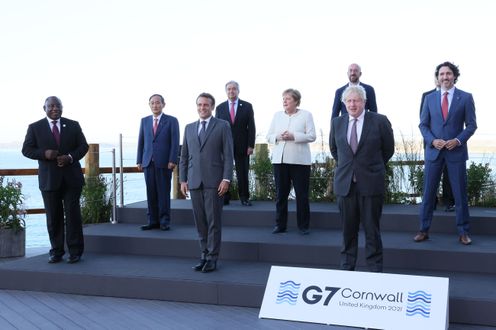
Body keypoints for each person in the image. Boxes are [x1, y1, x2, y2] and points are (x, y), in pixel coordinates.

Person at [329, 85, 394, 272]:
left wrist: (369, 167)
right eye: (349, 101)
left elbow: (388, 150)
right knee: (348, 232)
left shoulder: (380, 121)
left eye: (356, 100)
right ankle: (347, 268)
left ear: (364, 102)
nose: (352, 104)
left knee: (372, 231)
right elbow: (335, 151)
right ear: (344, 103)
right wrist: (351, 168)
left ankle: (374, 270)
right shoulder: (337, 123)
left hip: (371, 184)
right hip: (345, 185)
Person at [415, 61, 477, 245]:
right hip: (434, 152)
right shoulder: (429, 99)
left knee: (460, 194)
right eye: (441, 74)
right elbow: (423, 125)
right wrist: (433, 140)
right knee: (428, 194)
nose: (445, 77)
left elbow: (472, 125)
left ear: (454, 76)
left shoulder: (465, 98)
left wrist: (457, 140)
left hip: (455, 152)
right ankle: (423, 230)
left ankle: (463, 232)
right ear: (438, 77)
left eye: (448, 74)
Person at [22, 96, 89, 264]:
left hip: (72, 179)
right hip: (49, 180)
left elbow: (83, 146)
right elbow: (26, 150)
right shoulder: (35, 127)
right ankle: (56, 251)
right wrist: (44, 154)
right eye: (50, 106)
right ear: (44, 108)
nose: (54, 108)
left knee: (73, 216)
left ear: (62, 107)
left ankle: (75, 252)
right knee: (53, 217)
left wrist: (70, 157)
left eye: (57, 105)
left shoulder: (73, 125)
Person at [180, 92, 234, 273]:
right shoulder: (188, 128)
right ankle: (203, 255)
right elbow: (184, 157)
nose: (202, 108)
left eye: (206, 105)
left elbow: (228, 155)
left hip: (215, 182)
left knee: (213, 223)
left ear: (212, 107)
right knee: (200, 223)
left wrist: (226, 178)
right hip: (194, 182)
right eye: (200, 105)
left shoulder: (223, 126)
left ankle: (213, 258)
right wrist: (182, 179)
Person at [266, 89, 316, 235]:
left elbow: (312, 136)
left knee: (302, 195)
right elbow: (268, 136)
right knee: (281, 194)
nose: (285, 101)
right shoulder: (277, 116)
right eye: (283, 98)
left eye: (288, 98)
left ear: (296, 101)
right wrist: (278, 136)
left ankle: (303, 226)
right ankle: (280, 225)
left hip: (300, 161)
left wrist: (294, 136)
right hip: (280, 161)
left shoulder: (306, 115)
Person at [137, 94, 180, 231]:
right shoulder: (144, 121)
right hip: (148, 162)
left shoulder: (172, 121)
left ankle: (164, 221)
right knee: (151, 193)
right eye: (152, 103)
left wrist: (173, 159)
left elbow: (175, 142)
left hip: (164, 163)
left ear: (163, 104)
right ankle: (152, 221)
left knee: (163, 193)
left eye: (158, 103)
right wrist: (139, 160)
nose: (155, 105)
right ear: (149, 105)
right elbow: (141, 142)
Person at [215, 81, 256, 206]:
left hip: (242, 146)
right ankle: (224, 197)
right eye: (229, 89)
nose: (231, 91)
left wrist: (250, 145)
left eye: (234, 89)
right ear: (226, 91)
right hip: (224, 145)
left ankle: (244, 197)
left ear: (238, 91)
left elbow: (252, 127)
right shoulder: (220, 107)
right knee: (223, 172)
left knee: (242, 172)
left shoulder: (247, 106)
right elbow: (217, 127)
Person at [420, 79, 455, 212]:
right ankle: (430, 203)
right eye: (438, 76)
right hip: (432, 144)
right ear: (435, 79)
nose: (440, 79)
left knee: (448, 175)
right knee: (430, 177)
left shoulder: (457, 96)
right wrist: (433, 141)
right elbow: (423, 120)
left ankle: (449, 202)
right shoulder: (427, 96)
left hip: (451, 145)